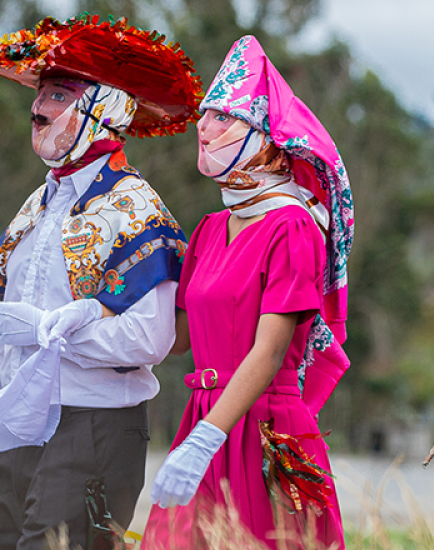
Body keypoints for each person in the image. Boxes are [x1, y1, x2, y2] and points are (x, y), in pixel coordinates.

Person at [0, 15, 197, 550]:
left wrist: (51, 332)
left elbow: (151, 341)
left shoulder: (135, 211)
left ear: (102, 109)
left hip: (96, 423)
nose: (37, 109)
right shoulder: (34, 210)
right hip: (19, 417)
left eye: (59, 94)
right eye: (39, 94)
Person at [140, 35, 354, 550]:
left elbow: (271, 349)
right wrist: (88, 322)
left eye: (223, 118)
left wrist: (206, 438)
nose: (204, 128)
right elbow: (178, 340)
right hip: (204, 415)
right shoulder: (211, 228)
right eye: (205, 116)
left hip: (263, 429)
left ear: (266, 140)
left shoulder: (294, 227)